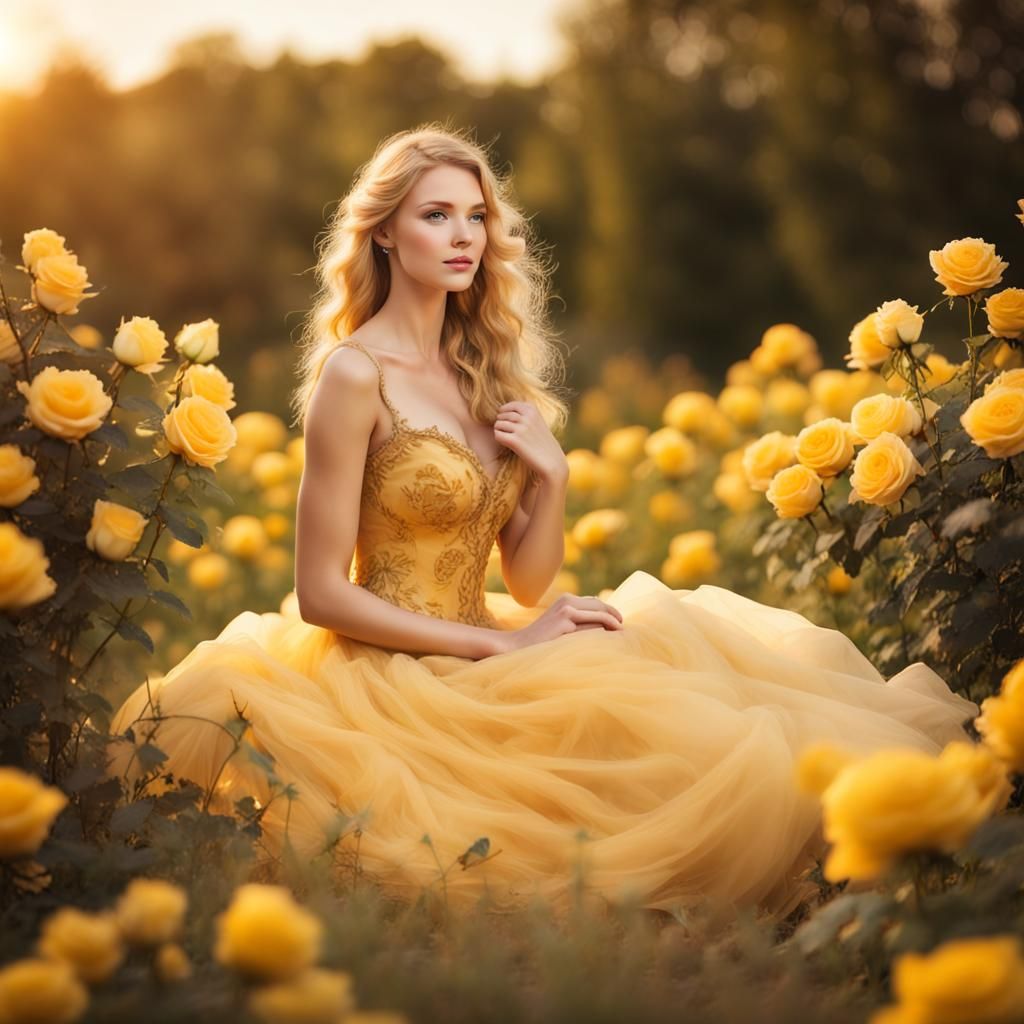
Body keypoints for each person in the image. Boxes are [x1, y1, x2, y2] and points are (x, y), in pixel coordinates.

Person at [110, 123, 978, 923]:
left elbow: (524, 580)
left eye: (475, 217)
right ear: (384, 232)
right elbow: (320, 593)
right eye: (435, 215)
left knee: (681, 685)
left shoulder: (482, 367)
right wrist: (505, 649)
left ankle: (884, 847)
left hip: (488, 635)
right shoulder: (353, 375)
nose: (461, 236)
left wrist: (552, 479)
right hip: (381, 668)